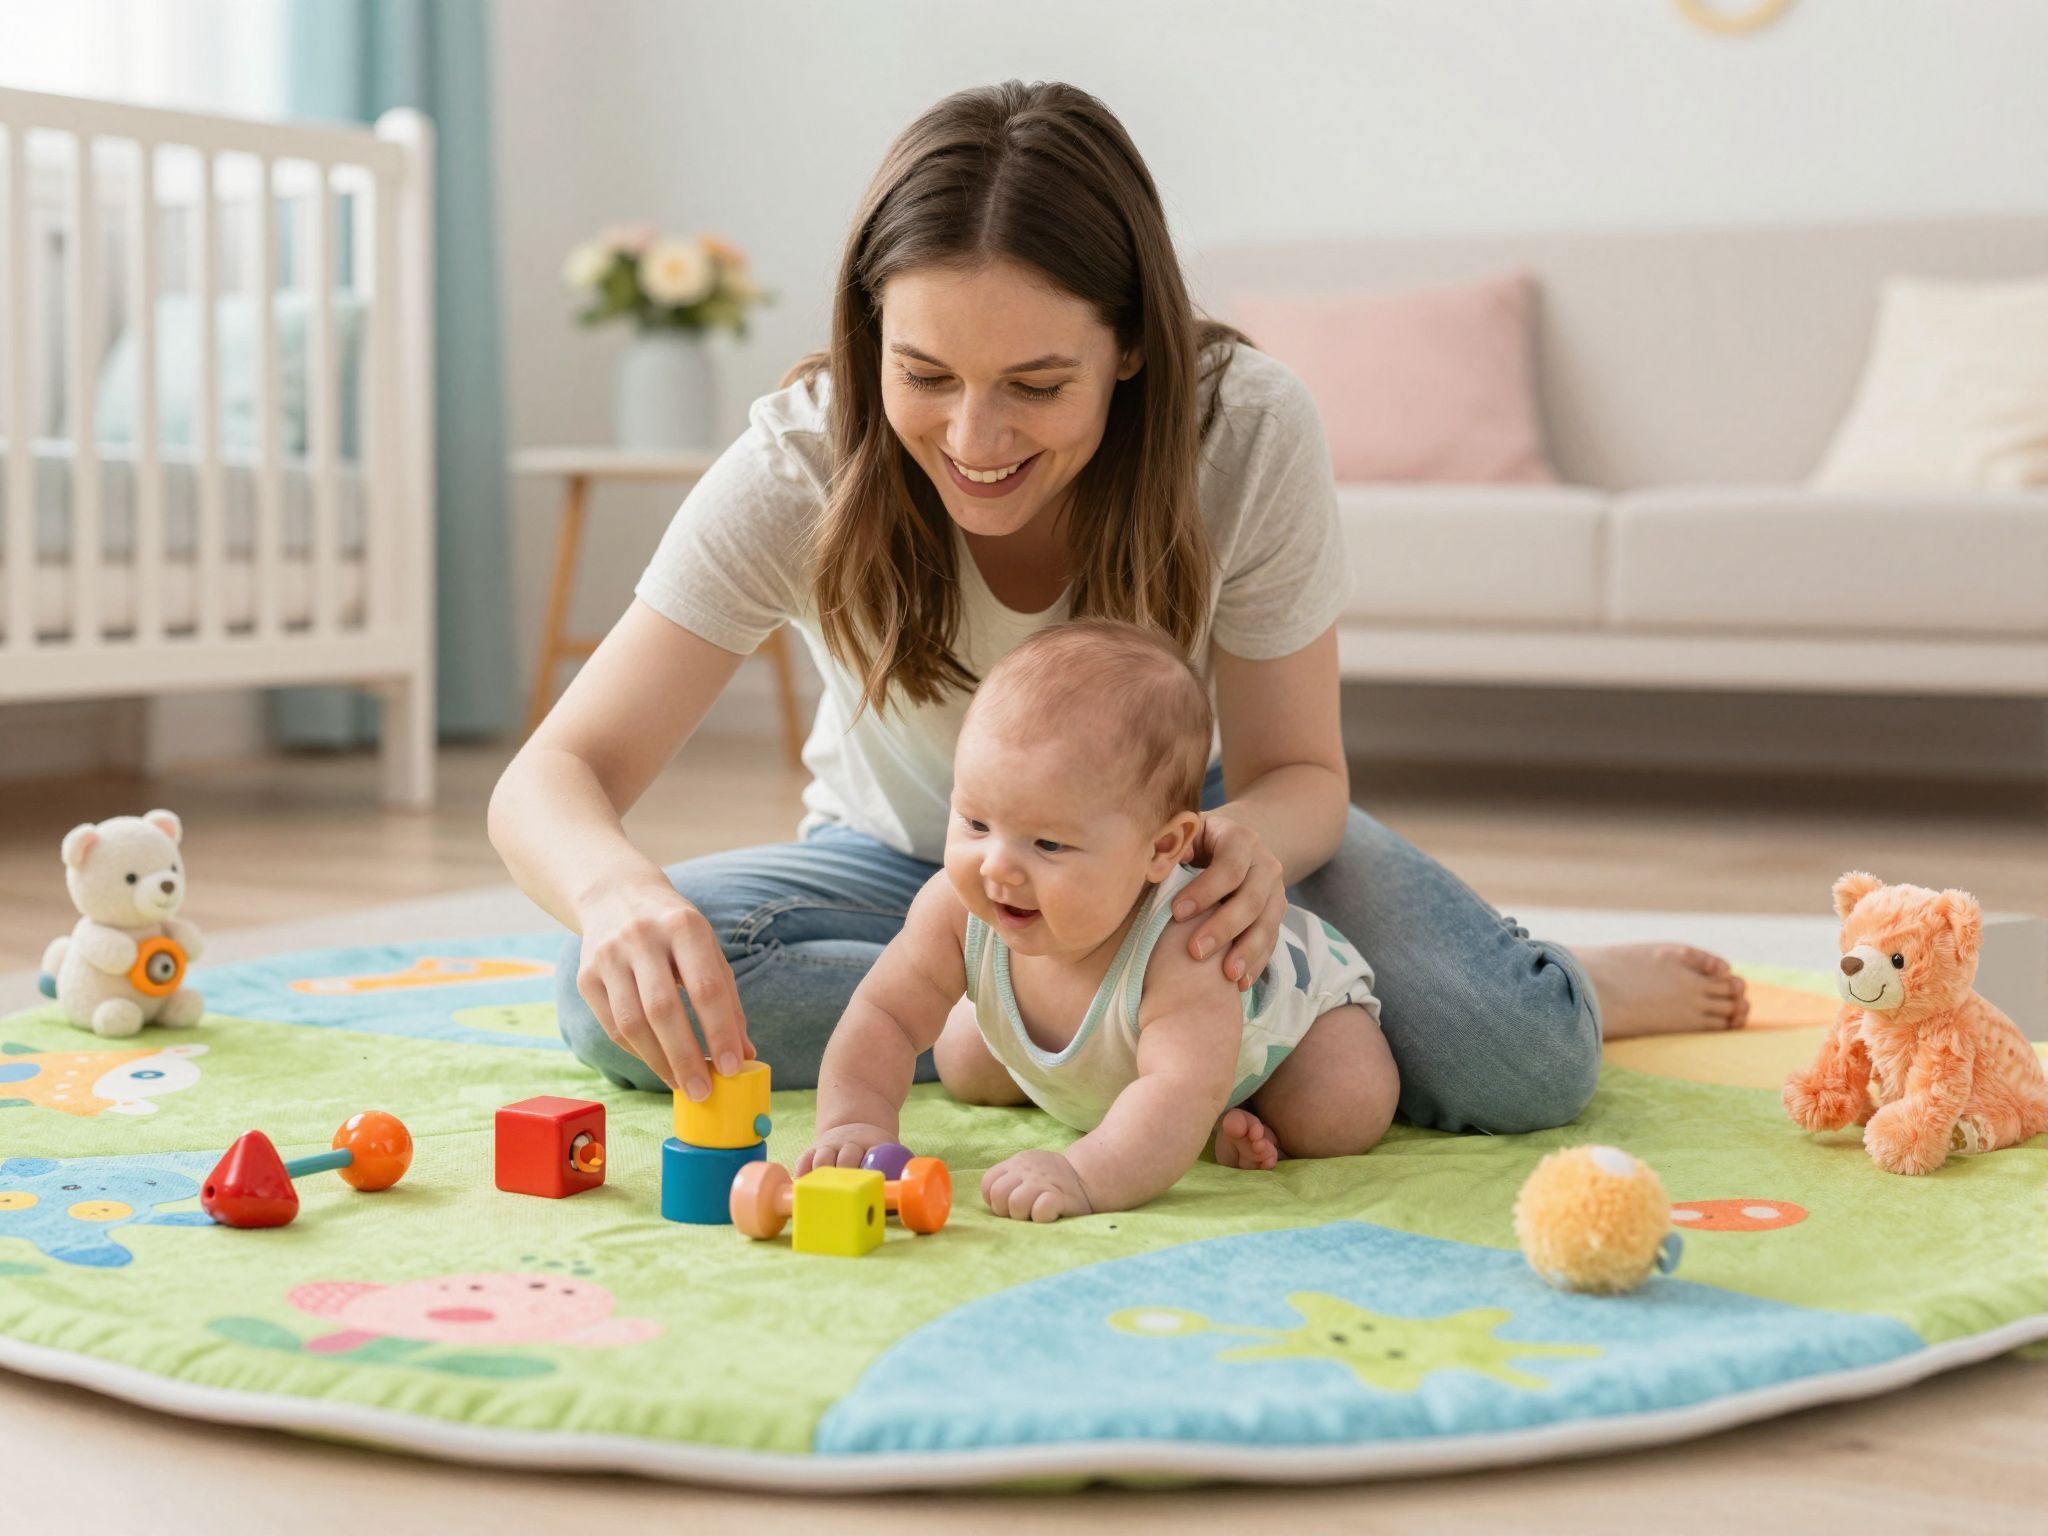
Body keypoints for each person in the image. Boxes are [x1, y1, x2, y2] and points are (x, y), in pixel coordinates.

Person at [488, 79, 1748, 1138]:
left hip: (1177, 853)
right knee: (611, 998)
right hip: (901, 870)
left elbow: (1299, 772)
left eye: (1035, 384)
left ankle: (1548, 979)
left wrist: (1242, 846)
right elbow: (553, 777)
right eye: (924, 374)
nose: (973, 439)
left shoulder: (1242, 430)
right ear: (870, 336)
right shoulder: (803, 462)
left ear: (1132, 346)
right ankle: (1113, 1042)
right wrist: (614, 895)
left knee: (1519, 1062)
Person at [799, 619, 1397, 1221]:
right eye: (976, 824)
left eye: (1049, 845)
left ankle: (1247, 1120)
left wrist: (1082, 1174)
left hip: (1284, 1035)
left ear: (1163, 850)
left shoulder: (1188, 945)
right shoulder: (952, 911)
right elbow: (883, 1015)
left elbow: (1178, 1093)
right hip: (1115, 1071)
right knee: (962, 1059)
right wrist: (855, 1122)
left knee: (1343, 1105)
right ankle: (1113, 1102)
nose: (998, 868)